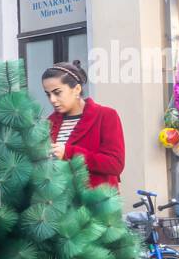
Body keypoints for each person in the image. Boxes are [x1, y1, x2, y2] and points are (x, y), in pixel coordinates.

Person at [42, 61, 125, 190]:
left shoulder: (105, 116)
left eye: (57, 92)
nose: (52, 99)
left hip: (95, 204)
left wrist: (68, 153)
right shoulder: (49, 123)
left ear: (77, 89)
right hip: (60, 205)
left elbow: (115, 164)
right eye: (48, 94)